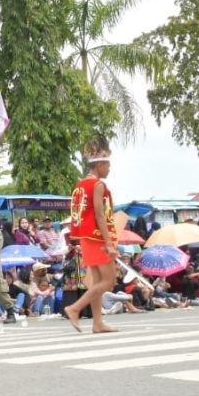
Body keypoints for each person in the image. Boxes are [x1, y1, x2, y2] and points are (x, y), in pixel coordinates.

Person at [65, 137, 120, 334]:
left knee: (97, 282)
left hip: (85, 237)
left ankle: (98, 323)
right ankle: (75, 308)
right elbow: (99, 214)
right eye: (108, 165)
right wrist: (109, 243)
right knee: (109, 281)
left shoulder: (80, 184)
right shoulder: (97, 185)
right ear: (100, 165)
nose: (109, 169)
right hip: (97, 238)